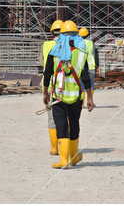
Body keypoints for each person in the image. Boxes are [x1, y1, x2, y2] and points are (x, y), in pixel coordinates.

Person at [43, 20, 94, 169]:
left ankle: (64, 160)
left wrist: (45, 93)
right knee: (74, 124)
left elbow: (47, 74)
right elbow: (85, 77)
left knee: (61, 126)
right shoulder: (81, 52)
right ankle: (73, 156)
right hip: (76, 97)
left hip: (59, 96)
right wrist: (90, 97)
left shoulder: (54, 52)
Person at [40, 19, 63, 155]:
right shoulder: (67, 44)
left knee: (51, 118)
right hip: (64, 84)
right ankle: (65, 145)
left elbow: (44, 66)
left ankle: (54, 148)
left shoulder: (46, 45)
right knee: (64, 116)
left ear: (52, 32)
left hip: (49, 84)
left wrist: (44, 91)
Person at [78, 27, 99, 106]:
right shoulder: (91, 44)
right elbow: (96, 56)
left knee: (81, 85)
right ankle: (90, 102)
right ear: (88, 35)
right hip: (90, 67)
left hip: (80, 66)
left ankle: (82, 103)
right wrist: (97, 67)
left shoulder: (78, 44)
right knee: (91, 85)